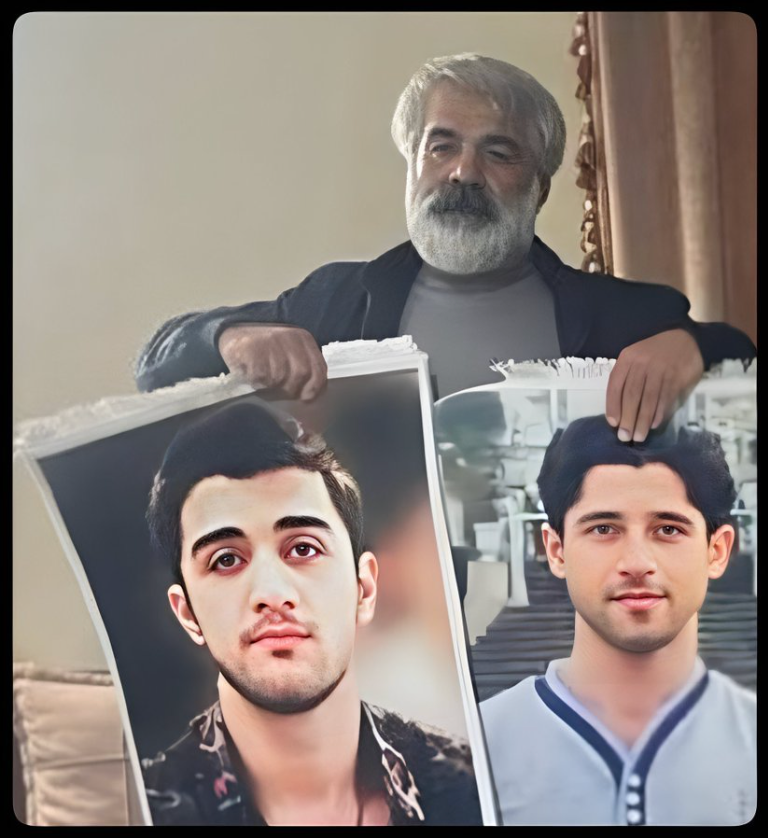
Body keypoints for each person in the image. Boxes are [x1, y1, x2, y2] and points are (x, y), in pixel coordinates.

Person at [134, 53, 755, 443]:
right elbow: (157, 366)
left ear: (539, 187)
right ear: (413, 165)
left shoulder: (628, 317)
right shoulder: (333, 300)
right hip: (370, 632)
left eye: (499, 151)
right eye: (442, 145)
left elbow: (741, 369)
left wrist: (695, 345)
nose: (463, 171)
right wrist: (232, 337)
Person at [140, 400, 483, 826]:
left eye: (303, 549)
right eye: (226, 559)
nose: (272, 593)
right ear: (186, 611)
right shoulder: (151, 804)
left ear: (366, 585)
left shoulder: (462, 772)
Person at [480, 415, 756, 826]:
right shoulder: (472, 744)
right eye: (604, 528)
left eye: (667, 528)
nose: (637, 564)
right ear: (555, 550)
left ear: (717, 551)